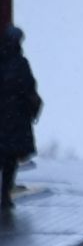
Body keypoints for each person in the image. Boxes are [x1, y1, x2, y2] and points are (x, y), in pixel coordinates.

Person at [0, 26, 41, 214]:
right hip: (15, 118)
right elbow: (29, 88)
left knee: (5, 156)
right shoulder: (20, 63)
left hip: (6, 115)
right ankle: (4, 194)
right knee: (10, 159)